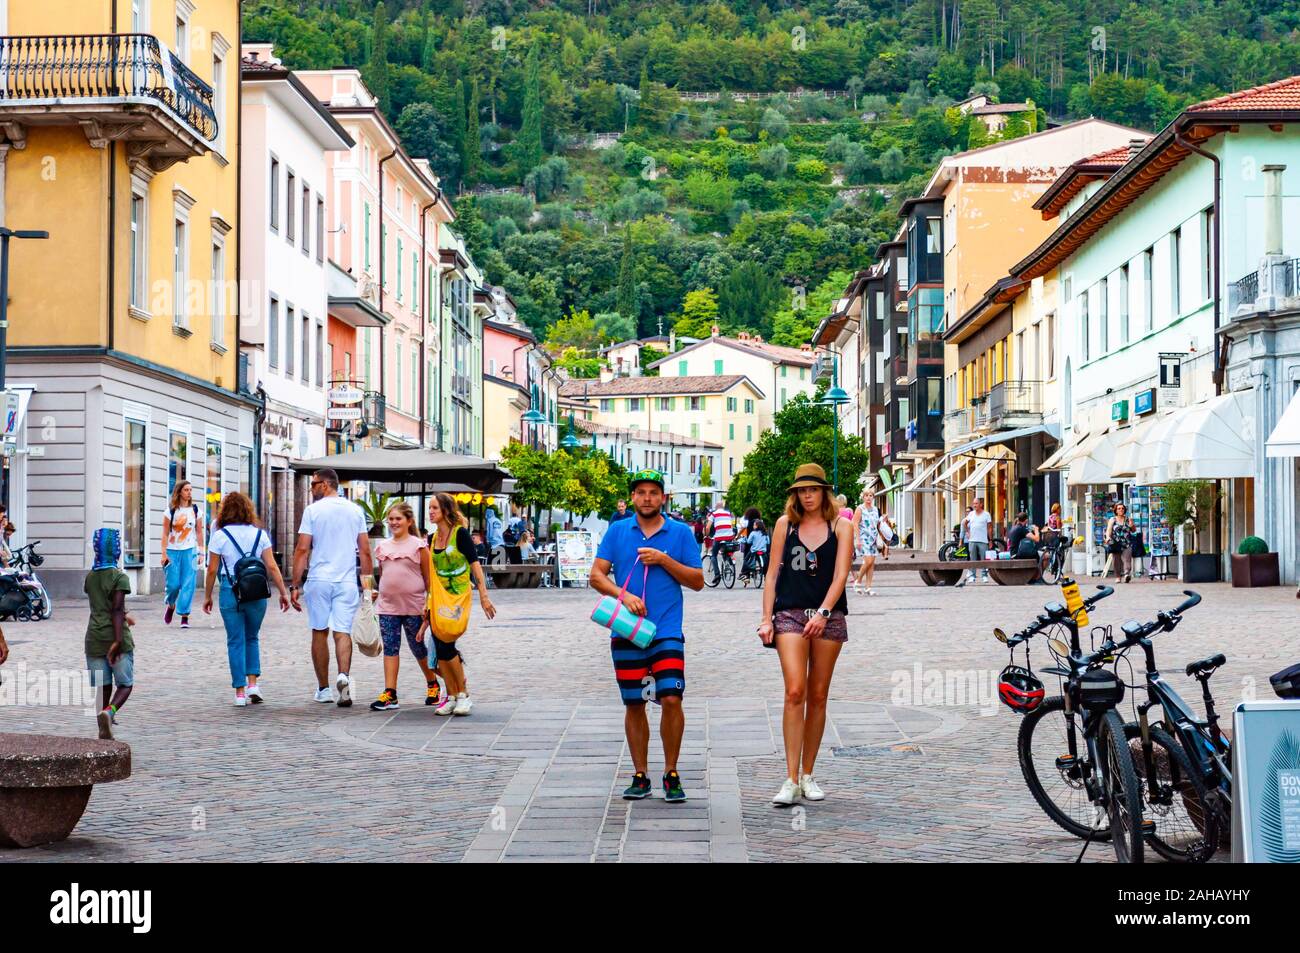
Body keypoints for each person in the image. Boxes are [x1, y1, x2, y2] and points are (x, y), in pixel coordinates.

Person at [590, 469, 703, 803]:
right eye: (641, 492)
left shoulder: (680, 533)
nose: (647, 498)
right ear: (633, 498)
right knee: (634, 702)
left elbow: (697, 581)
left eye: (654, 492)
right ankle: (640, 774)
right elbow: (596, 575)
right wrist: (622, 596)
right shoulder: (617, 531)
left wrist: (664, 559)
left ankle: (671, 772)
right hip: (627, 630)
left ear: (663, 498)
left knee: (671, 697)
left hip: (666, 630)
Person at [758, 463, 853, 807]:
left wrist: (825, 613)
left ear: (824, 492)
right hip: (790, 614)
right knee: (794, 690)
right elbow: (771, 576)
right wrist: (766, 618)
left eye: (813, 489)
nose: (807, 495)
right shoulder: (786, 525)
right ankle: (790, 778)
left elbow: (841, 575)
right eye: (802, 490)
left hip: (829, 615)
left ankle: (808, 774)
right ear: (795, 494)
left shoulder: (841, 525)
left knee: (818, 695)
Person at [290, 468, 373, 707]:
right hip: (346, 579)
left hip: (319, 579)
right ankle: (344, 677)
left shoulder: (313, 511)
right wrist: (366, 587)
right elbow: (365, 551)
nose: (312, 488)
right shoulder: (355, 510)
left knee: (319, 630)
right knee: (342, 631)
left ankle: (324, 689)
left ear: (326, 484)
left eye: (314, 483)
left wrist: (295, 584)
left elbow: (302, 549)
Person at [203, 492, 291, 707]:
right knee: (252, 637)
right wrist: (283, 592)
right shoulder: (260, 535)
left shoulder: (220, 536)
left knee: (235, 640)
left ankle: (240, 693)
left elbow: (212, 569)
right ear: (247, 510)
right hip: (256, 591)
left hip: (230, 589)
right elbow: (271, 566)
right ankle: (253, 684)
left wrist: (207, 596)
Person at [426, 492, 496, 716]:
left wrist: (484, 596)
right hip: (438, 597)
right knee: (440, 646)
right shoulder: (432, 539)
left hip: (457, 597)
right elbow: (432, 573)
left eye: (435, 508)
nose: (431, 512)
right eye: (429, 508)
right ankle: (453, 694)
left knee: (447, 645)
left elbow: (475, 566)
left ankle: (463, 694)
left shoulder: (461, 534)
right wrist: (427, 603)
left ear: (446, 510)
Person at [368, 502, 441, 712]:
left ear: (409, 521)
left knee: (418, 647)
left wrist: (429, 605)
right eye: (391, 519)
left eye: (398, 519)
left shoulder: (419, 546)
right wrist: (377, 591)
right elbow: (383, 575)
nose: (393, 523)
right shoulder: (382, 547)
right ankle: (390, 693)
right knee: (390, 648)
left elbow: (429, 579)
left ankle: (432, 684)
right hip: (387, 606)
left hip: (414, 607)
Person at [84, 528, 134, 740]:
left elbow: (103, 605)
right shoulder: (120, 577)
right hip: (115, 637)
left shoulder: (90, 577)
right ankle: (109, 712)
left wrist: (124, 615)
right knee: (125, 683)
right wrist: (118, 641)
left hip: (94, 637)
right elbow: (115, 609)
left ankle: (102, 725)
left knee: (101, 684)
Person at [161, 479, 204, 629]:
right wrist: (163, 554)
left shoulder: (196, 511)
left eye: (190, 490)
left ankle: (184, 616)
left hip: (190, 550)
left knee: (188, 584)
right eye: (186, 490)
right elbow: (165, 534)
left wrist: (201, 553)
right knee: (173, 585)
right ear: (179, 492)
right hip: (173, 551)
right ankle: (171, 605)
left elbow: (199, 532)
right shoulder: (170, 511)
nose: (189, 493)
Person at [850, 487, 882, 596]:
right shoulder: (860, 509)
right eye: (866, 495)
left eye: (870, 495)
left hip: (873, 538)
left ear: (873, 497)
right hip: (864, 538)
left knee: (871, 563)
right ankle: (857, 581)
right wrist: (857, 539)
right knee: (868, 561)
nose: (868, 497)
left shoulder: (876, 509)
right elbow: (854, 523)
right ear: (863, 497)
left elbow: (877, 524)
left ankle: (868, 587)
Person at [957, 497, 994, 586]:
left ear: (981, 504)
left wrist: (990, 540)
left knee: (983, 559)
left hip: (983, 540)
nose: (974, 505)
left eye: (976, 503)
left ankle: (984, 575)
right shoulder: (971, 514)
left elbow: (989, 528)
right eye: (974, 503)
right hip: (972, 540)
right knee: (972, 558)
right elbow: (964, 523)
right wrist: (968, 532)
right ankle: (972, 576)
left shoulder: (986, 514)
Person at [1104, 502, 1136, 583]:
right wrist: (1108, 537)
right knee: (1116, 561)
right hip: (1115, 543)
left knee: (1127, 559)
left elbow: (1133, 530)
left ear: (1124, 510)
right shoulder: (1112, 519)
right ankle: (1118, 577)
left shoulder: (1128, 519)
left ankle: (1126, 574)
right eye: (1119, 508)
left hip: (1127, 543)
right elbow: (1109, 530)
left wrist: (1132, 525)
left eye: (1122, 508)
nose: (1121, 510)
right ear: (1116, 510)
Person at [705, 501, 735, 579]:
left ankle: (717, 574)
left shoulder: (713, 514)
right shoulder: (728, 513)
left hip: (719, 537)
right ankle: (728, 564)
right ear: (722, 507)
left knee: (713, 555)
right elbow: (731, 525)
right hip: (729, 536)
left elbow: (708, 527)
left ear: (716, 507)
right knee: (725, 551)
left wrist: (706, 535)